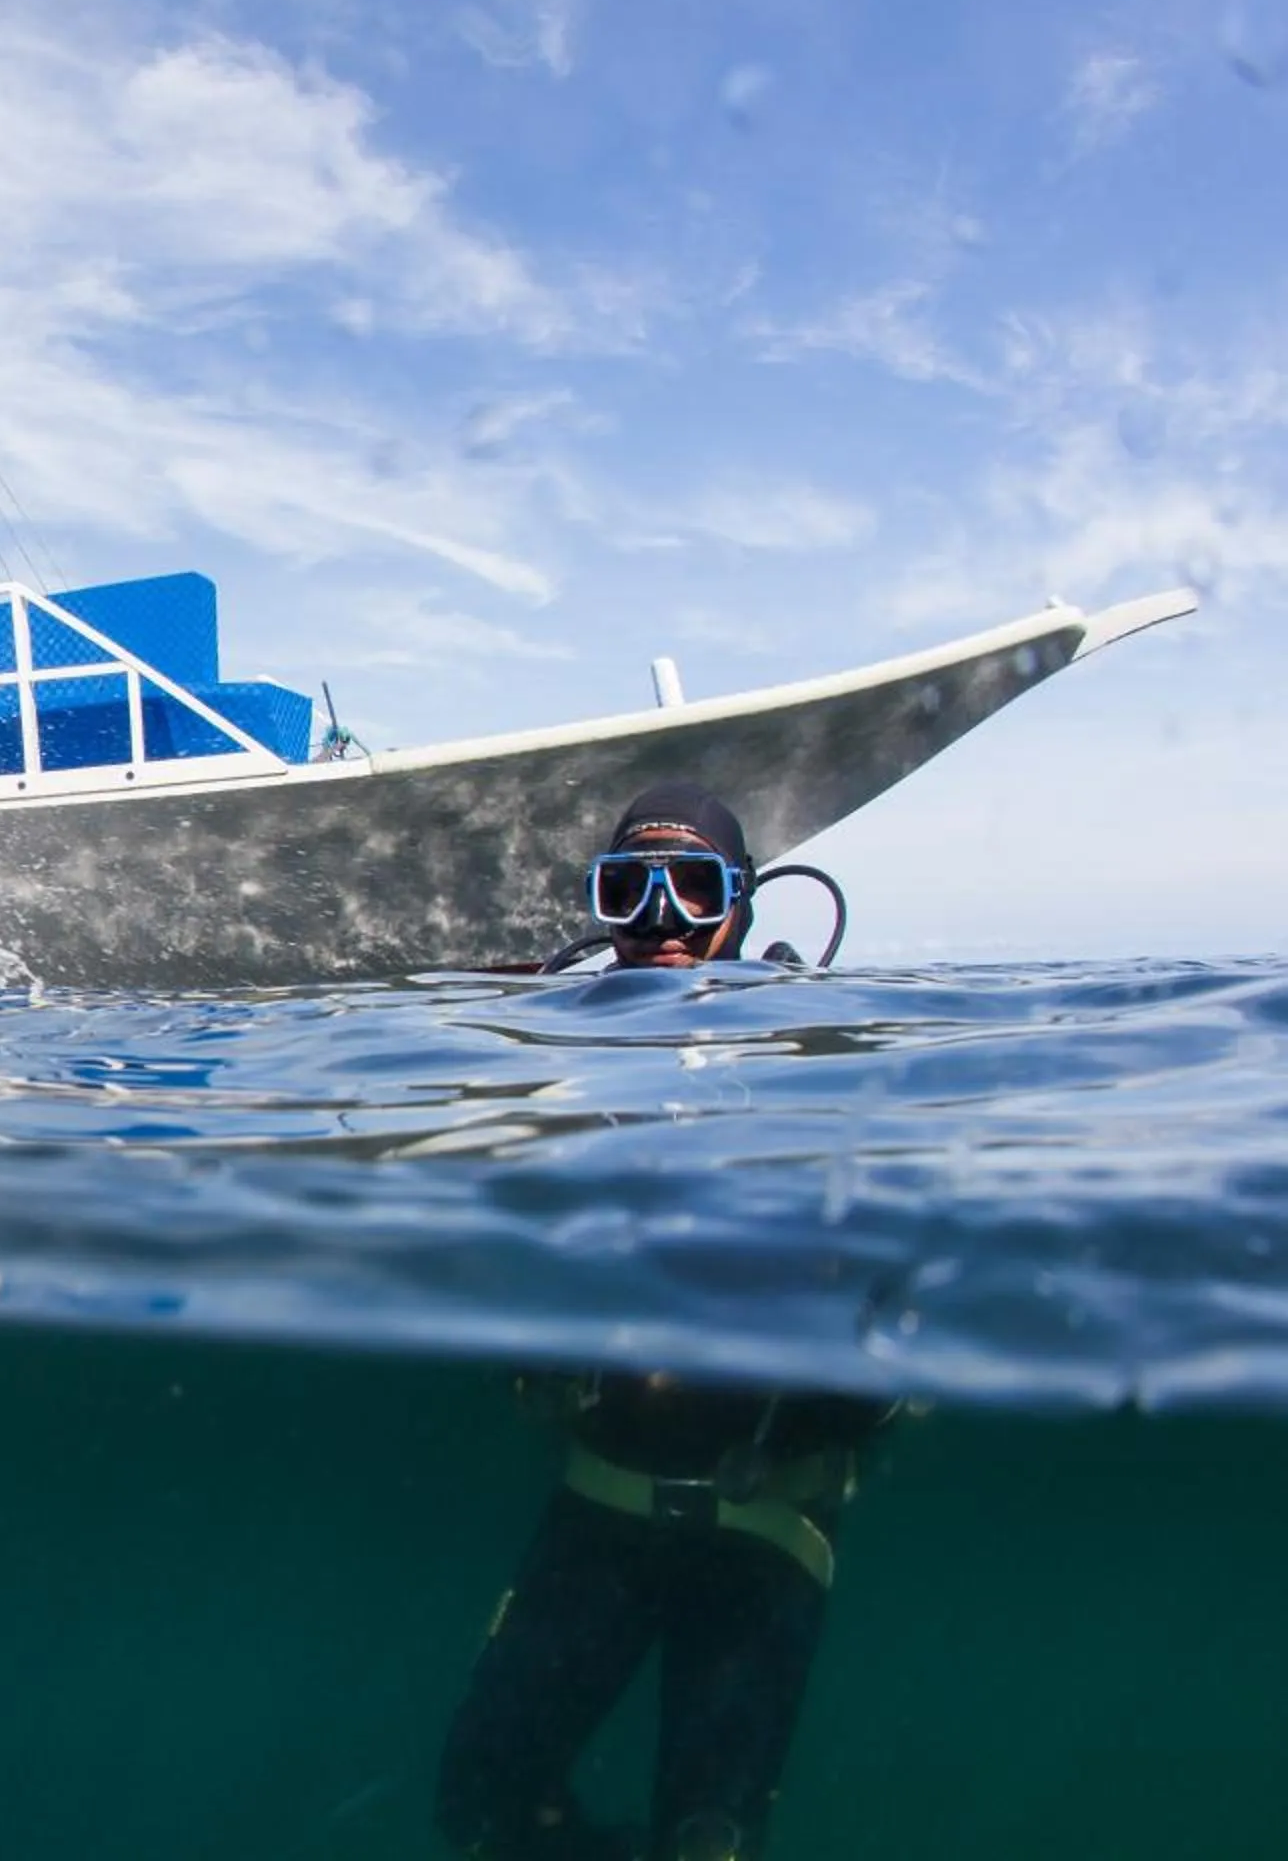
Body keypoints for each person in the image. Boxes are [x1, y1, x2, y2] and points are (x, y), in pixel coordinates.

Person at [433, 780, 898, 1861]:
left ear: (740, 907)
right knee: (480, 1811)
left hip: (768, 1533)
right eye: (628, 890)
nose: (662, 924)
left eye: (694, 889)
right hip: (597, 1519)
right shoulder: (551, 1062)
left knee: (711, 1843)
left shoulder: (811, 1061)